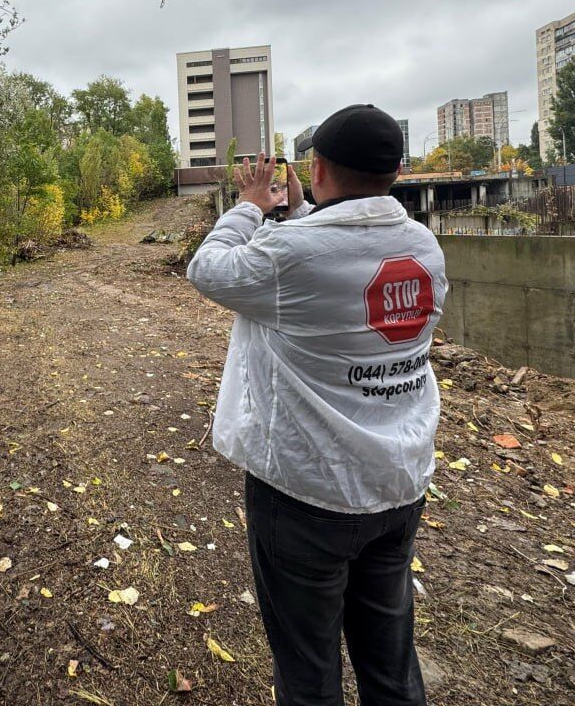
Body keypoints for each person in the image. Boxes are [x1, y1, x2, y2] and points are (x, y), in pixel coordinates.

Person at [187, 105, 447, 706]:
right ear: (398, 170)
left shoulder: (288, 257)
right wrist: (302, 210)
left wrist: (252, 203)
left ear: (319, 167)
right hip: (398, 482)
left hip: (307, 494)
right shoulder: (423, 246)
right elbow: (336, 253)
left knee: (308, 673)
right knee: (390, 661)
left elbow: (209, 268)